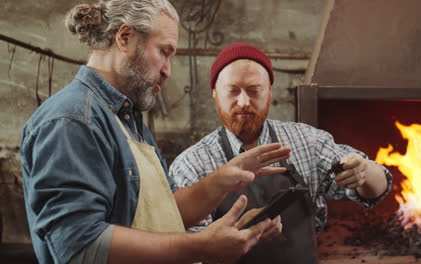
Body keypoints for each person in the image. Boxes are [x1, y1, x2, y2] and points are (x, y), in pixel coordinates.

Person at [20, 2, 292, 264]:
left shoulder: (126, 117)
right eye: (164, 51)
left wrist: (222, 180)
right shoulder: (74, 120)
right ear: (125, 37)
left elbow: (169, 210)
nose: (167, 71)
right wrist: (203, 246)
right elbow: (80, 246)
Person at [169, 42, 393, 263]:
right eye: (233, 91)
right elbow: (187, 252)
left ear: (269, 93)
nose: (244, 102)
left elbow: (377, 188)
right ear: (215, 93)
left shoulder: (307, 142)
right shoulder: (192, 164)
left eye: (255, 90)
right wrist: (241, 232)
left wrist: (365, 172)